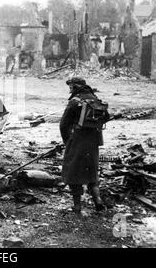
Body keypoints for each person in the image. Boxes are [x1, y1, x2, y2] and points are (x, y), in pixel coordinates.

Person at [59, 77, 109, 215]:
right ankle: (98, 200)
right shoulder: (95, 99)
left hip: (77, 140)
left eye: (70, 87)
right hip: (94, 140)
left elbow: (63, 124)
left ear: (75, 87)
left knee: (73, 171)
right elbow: (106, 116)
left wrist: (67, 140)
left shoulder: (75, 102)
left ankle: (77, 206)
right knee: (91, 171)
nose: (69, 90)